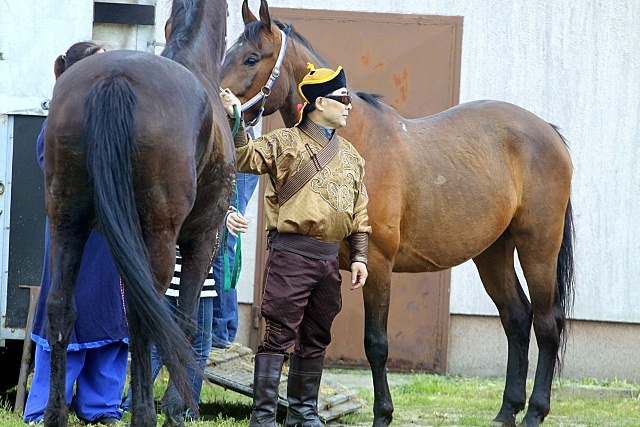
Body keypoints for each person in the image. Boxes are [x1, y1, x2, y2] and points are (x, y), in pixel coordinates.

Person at [220, 62, 371, 427]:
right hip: (291, 256)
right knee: (278, 335)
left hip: (328, 261)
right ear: (320, 102)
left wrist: (360, 256)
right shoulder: (284, 141)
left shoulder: (351, 155)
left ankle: (304, 414)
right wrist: (236, 118)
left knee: (316, 336)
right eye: (342, 98)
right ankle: (264, 418)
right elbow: (244, 158)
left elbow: (360, 210)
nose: (349, 105)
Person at [24, 42, 129, 425]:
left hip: (113, 240)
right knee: (66, 315)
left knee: (112, 320)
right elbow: (49, 165)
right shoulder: (61, 118)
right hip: (75, 239)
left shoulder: (124, 117)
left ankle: (101, 408)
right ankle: (43, 408)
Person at [120, 210, 249, 419]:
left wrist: (224, 215)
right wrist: (222, 215)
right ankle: (187, 409)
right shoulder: (195, 187)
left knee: (159, 346)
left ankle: (134, 403)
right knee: (193, 347)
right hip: (191, 271)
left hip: (172, 271)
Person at [211, 171, 259, 349]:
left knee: (222, 243)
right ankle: (223, 330)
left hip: (236, 162)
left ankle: (220, 332)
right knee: (216, 244)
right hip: (222, 159)